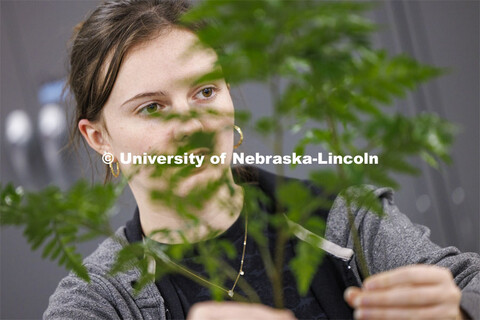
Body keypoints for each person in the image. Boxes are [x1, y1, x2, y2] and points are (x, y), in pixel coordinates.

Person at [44, 0, 479, 319]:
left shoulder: (342, 220)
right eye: (151, 107)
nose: (193, 125)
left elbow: (469, 286)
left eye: (205, 92)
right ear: (99, 137)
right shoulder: (98, 299)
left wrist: (458, 311)